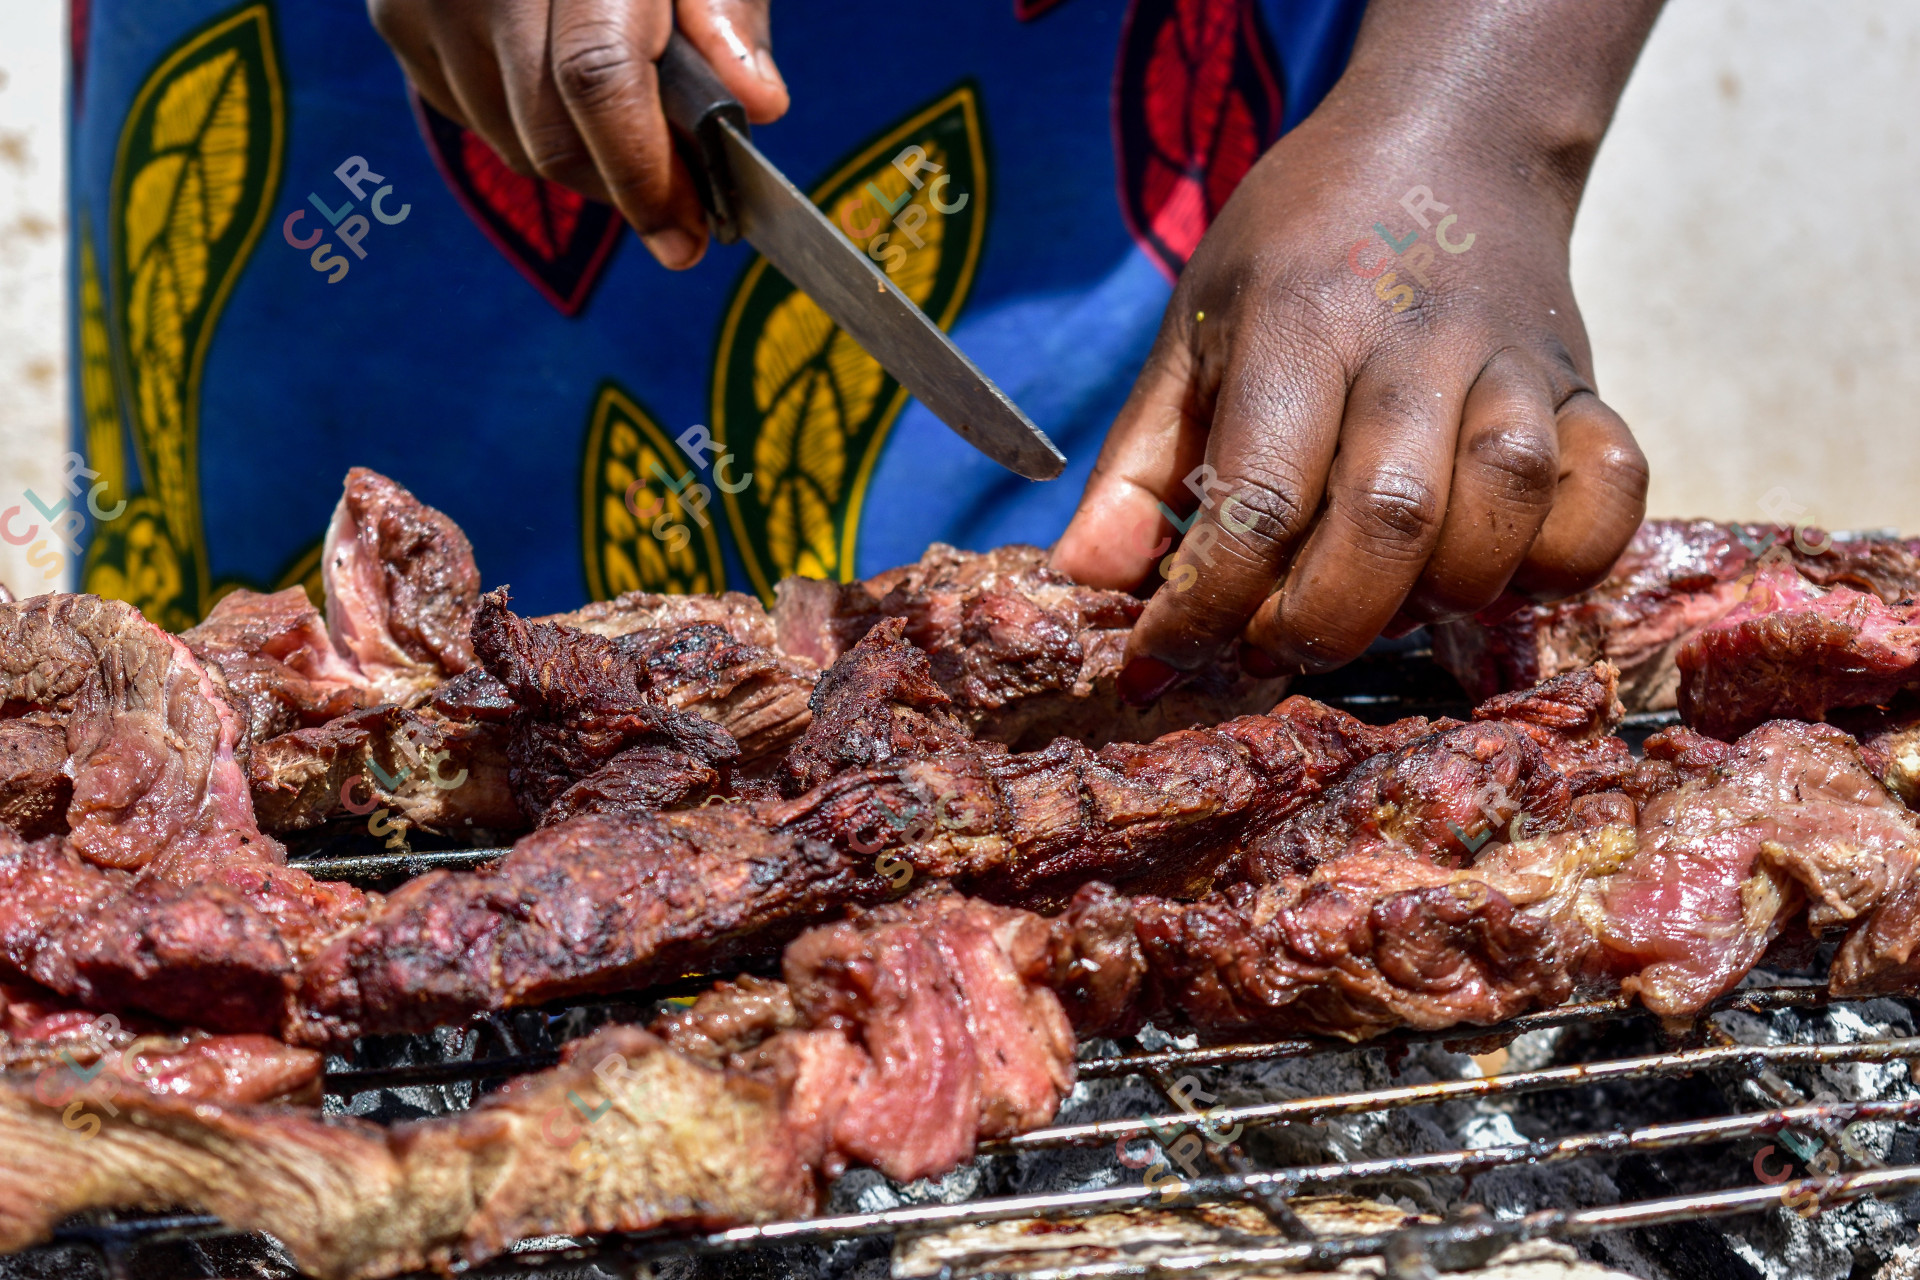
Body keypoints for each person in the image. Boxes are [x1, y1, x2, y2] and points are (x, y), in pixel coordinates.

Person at [72, 0, 1651, 693]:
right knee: (299, 732)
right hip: (370, 172)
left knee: (1068, 675)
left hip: (1119, 136)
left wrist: (1479, 117)